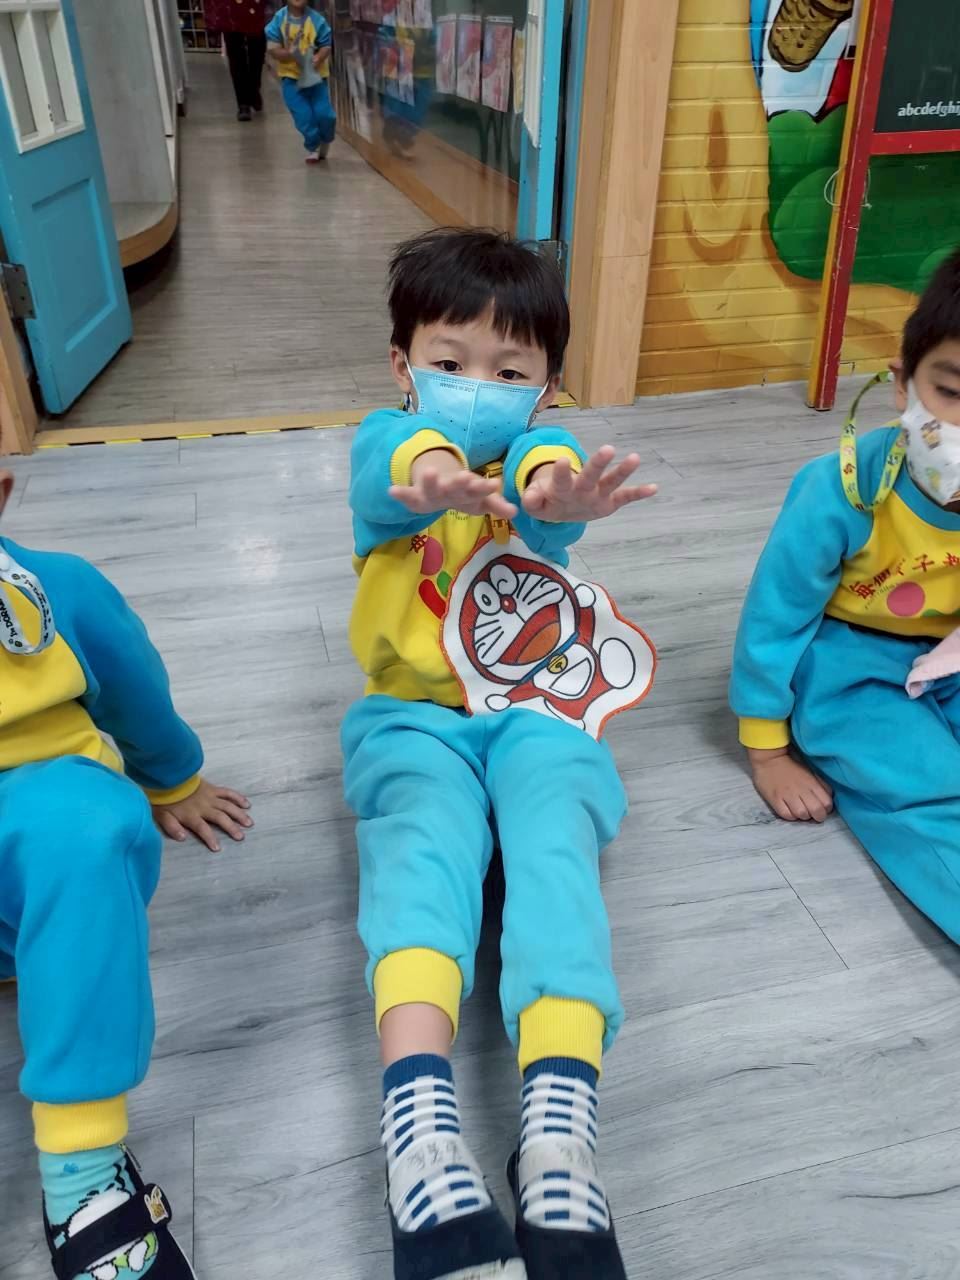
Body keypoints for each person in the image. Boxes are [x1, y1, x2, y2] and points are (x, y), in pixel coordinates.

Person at [342, 228, 659, 1280]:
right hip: (413, 714)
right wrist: (435, 476)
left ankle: (560, 1133)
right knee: (420, 852)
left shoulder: (535, 449)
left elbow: (544, 472)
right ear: (402, 365)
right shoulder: (388, 443)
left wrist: (559, 498)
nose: (479, 386)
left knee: (555, 846)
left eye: (511, 371)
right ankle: (418, 1130)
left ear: (548, 387)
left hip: (533, 708)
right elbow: (395, 468)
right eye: (450, 360)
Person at [0, 468, 253, 1280]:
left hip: (44, 858)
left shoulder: (56, 590)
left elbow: (136, 690)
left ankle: (81, 1170)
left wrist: (175, 779)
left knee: (81, 830)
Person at [731, 247, 960, 944]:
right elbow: (774, 619)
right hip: (849, 661)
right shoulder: (840, 488)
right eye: (953, 393)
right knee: (926, 781)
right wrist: (767, 753)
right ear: (903, 384)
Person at [266, 2, 336, 163]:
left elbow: (326, 45)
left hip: (316, 79)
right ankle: (313, 145)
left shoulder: (317, 20)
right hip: (291, 79)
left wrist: (319, 58)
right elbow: (273, 49)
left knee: (326, 115)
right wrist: (288, 53)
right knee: (304, 117)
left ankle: (326, 138)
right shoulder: (278, 20)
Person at [203, 0, 269, 122]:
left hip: (254, 7)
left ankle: (254, 89)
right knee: (236, 57)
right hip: (229, 9)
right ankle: (243, 104)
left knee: (257, 53)